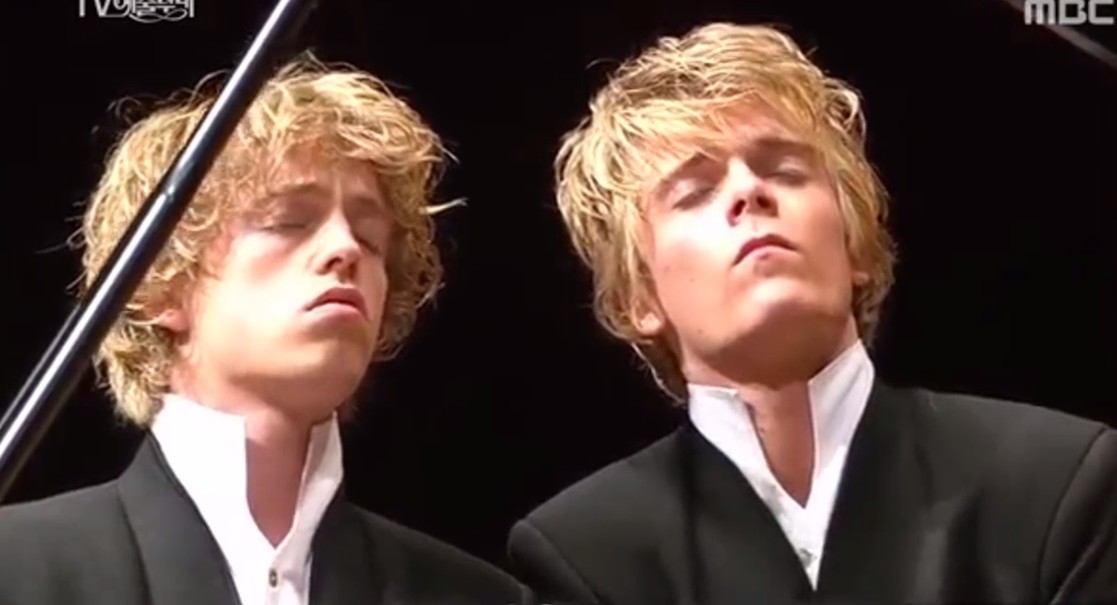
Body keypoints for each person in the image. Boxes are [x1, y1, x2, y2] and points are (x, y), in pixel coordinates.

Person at [507, 22, 1117, 605]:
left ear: (855, 246)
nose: (749, 191)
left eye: (786, 170)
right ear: (639, 298)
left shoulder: (1055, 482)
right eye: (695, 192)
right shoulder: (589, 554)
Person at [0, 54, 533, 605]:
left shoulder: (478, 597)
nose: (345, 248)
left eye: (370, 237)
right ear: (160, 285)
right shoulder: (16, 568)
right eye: (288, 222)